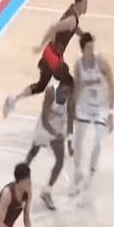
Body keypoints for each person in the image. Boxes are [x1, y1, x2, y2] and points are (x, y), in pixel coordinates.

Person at [3, 0, 88, 117]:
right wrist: (40, 45)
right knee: (70, 83)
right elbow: (53, 27)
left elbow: (70, 28)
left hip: (49, 53)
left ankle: (13, 100)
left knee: (41, 86)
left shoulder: (71, 13)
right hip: (54, 57)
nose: (86, 6)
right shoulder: (72, 20)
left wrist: (83, 35)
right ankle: (60, 109)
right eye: (85, 3)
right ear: (79, 3)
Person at [72, 32, 114, 200]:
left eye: (92, 46)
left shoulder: (101, 61)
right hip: (83, 106)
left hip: (100, 107)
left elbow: (111, 83)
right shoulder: (78, 65)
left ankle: (90, 174)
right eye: (89, 47)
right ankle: (77, 172)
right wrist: (72, 111)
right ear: (83, 49)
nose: (92, 49)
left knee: (98, 141)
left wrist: (111, 112)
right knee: (78, 140)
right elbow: (76, 88)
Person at [26, 75, 74, 211]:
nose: (68, 94)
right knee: (34, 151)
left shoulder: (71, 98)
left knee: (60, 161)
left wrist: (69, 142)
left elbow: (70, 120)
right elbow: (44, 118)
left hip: (58, 126)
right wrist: (53, 132)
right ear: (61, 86)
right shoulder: (50, 92)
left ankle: (47, 191)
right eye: (66, 91)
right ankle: (21, 178)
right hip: (45, 125)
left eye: (70, 91)